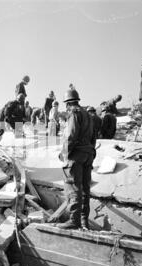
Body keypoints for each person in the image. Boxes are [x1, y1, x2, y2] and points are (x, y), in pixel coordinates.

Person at [56, 88, 95, 230]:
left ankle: (74, 221)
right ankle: (84, 222)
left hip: (76, 155)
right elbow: (93, 137)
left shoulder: (73, 113)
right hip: (88, 154)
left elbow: (71, 136)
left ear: (67, 104)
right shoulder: (88, 114)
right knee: (85, 188)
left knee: (73, 186)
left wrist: (64, 153)